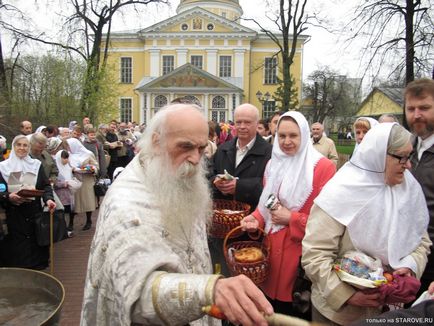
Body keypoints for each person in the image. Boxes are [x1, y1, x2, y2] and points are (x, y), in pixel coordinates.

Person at [80, 103, 273, 326]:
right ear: (156, 141)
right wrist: (209, 290)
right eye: (185, 147)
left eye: (201, 149)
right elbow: (137, 290)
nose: (195, 158)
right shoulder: (127, 202)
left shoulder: (174, 176)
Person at [302, 123, 432, 325]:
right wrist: (346, 295)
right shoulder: (341, 191)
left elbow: (421, 240)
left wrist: (409, 266)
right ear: (379, 154)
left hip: (390, 312)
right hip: (340, 315)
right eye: (401, 157)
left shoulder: (408, 189)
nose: (408, 165)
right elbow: (315, 254)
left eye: (410, 156)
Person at [240, 111, 335, 318]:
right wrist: (255, 218)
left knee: (291, 316)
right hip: (269, 257)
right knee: (266, 313)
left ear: (304, 135)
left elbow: (328, 224)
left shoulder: (323, 168)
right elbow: (267, 205)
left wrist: (290, 218)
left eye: (293, 135)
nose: (286, 141)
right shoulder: (273, 165)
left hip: (298, 263)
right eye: (281, 136)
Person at [209, 103, 272, 276]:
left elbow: (272, 187)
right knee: (222, 270)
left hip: (250, 227)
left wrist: (240, 186)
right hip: (223, 226)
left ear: (257, 122)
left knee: (247, 271)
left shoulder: (269, 152)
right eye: (238, 122)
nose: (242, 127)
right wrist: (216, 181)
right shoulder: (224, 149)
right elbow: (209, 174)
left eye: (247, 122)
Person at [0, 135, 56, 269]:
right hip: (13, 215)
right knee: (17, 254)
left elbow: (45, 186)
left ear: (29, 147)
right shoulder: (3, 167)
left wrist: (49, 199)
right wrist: (8, 196)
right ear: (13, 147)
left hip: (34, 214)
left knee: (36, 252)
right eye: (18, 145)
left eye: (25, 145)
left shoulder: (36, 165)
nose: (22, 148)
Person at [405, 78, 434, 292]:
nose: (416, 115)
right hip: (406, 259)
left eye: (424, 108)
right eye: (411, 108)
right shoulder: (406, 148)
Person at [67, 138, 98, 231]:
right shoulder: (68, 155)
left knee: (87, 200)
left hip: (86, 180)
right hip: (74, 180)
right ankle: (71, 222)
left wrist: (92, 169)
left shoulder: (88, 154)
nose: (68, 148)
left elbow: (96, 166)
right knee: (73, 202)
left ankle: (88, 220)